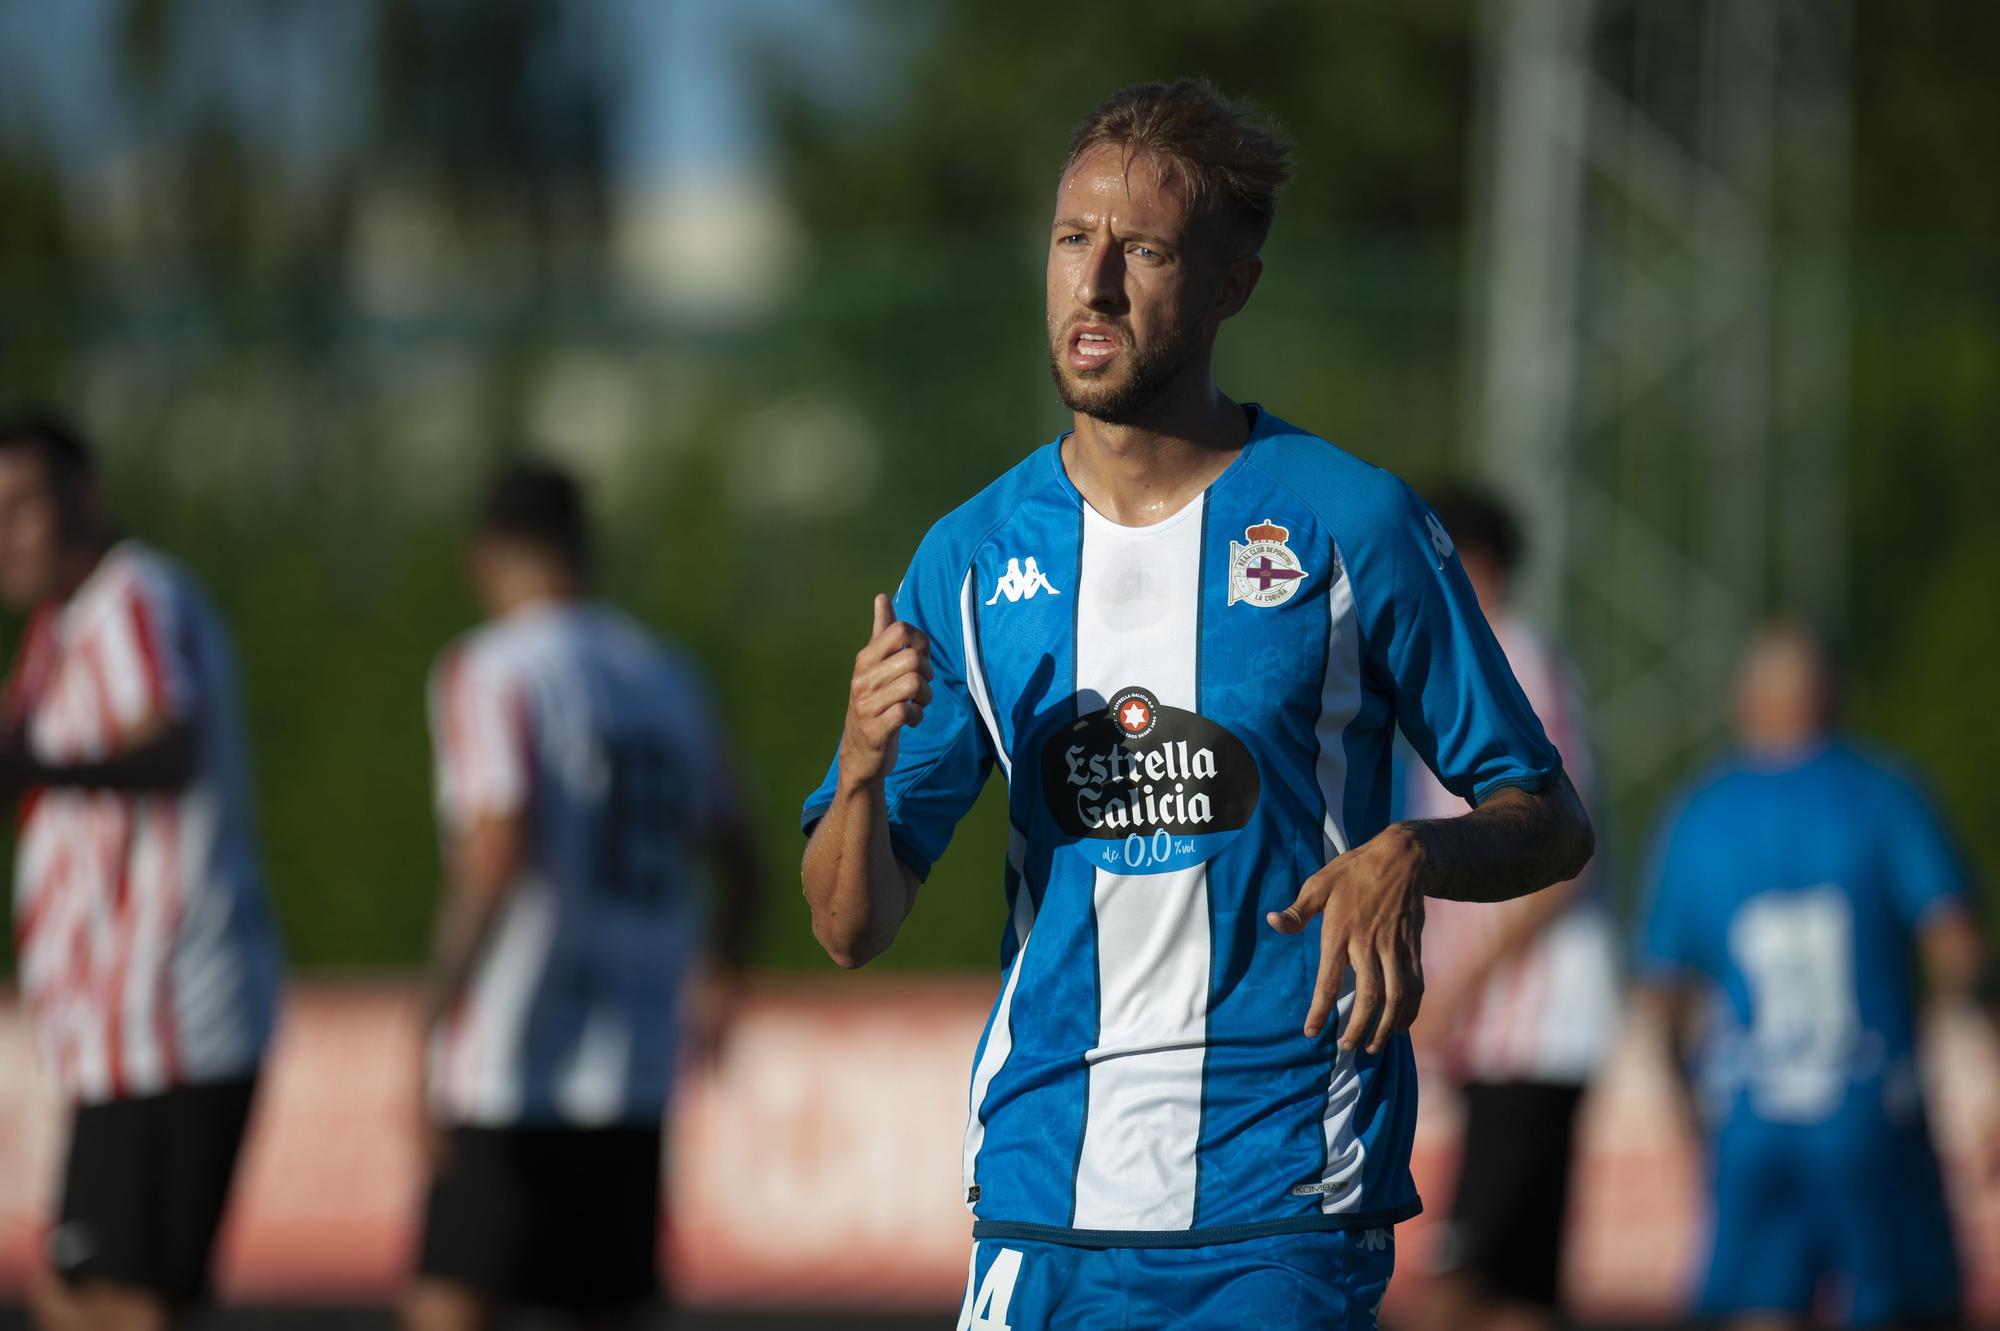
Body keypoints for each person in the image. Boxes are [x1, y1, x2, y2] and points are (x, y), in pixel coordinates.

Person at [799, 82, 1594, 1330]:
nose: (1096, 283)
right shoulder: (968, 557)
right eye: (1072, 239)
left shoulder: (1350, 522)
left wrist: (1413, 851)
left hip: (1276, 1201)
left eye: (1145, 250)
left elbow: (1547, 818)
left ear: (1231, 283)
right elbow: (850, 923)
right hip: (1039, 1191)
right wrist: (855, 770)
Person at [406, 462, 765, 1331]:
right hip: (635, 1048)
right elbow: (742, 852)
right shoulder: (664, 675)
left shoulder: (491, 670)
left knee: (453, 1297)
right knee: (604, 1305)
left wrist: (431, 1014)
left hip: (513, 1049)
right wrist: (720, 971)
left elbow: (496, 850)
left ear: (485, 557)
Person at [0, 413, 283, 1331]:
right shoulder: (59, 631)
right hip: (117, 1029)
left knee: (126, 1301)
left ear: (85, 498)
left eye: (20, 507)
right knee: (70, 1294)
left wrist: (40, 767)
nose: (3, 535)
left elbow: (167, 738)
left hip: (168, 1011)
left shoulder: (133, 595)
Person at [1636, 621, 1992, 1330]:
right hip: (1869, 1108)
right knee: (1904, 1299)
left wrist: (1689, 1106)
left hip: (1750, 1119)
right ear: (1831, 694)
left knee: (1756, 1305)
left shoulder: (1699, 812)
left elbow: (1661, 994)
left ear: (1749, 699)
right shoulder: (1885, 793)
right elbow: (1959, 946)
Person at [1402, 488, 1619, 1331]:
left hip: (1529, 1026)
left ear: (1473, 564)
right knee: (1519, 1292)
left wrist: (1463, 986)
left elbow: (1565, 851)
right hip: (1507, 1035)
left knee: (1457, 1283)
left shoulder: (1517, 661)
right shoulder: (1482, 663)